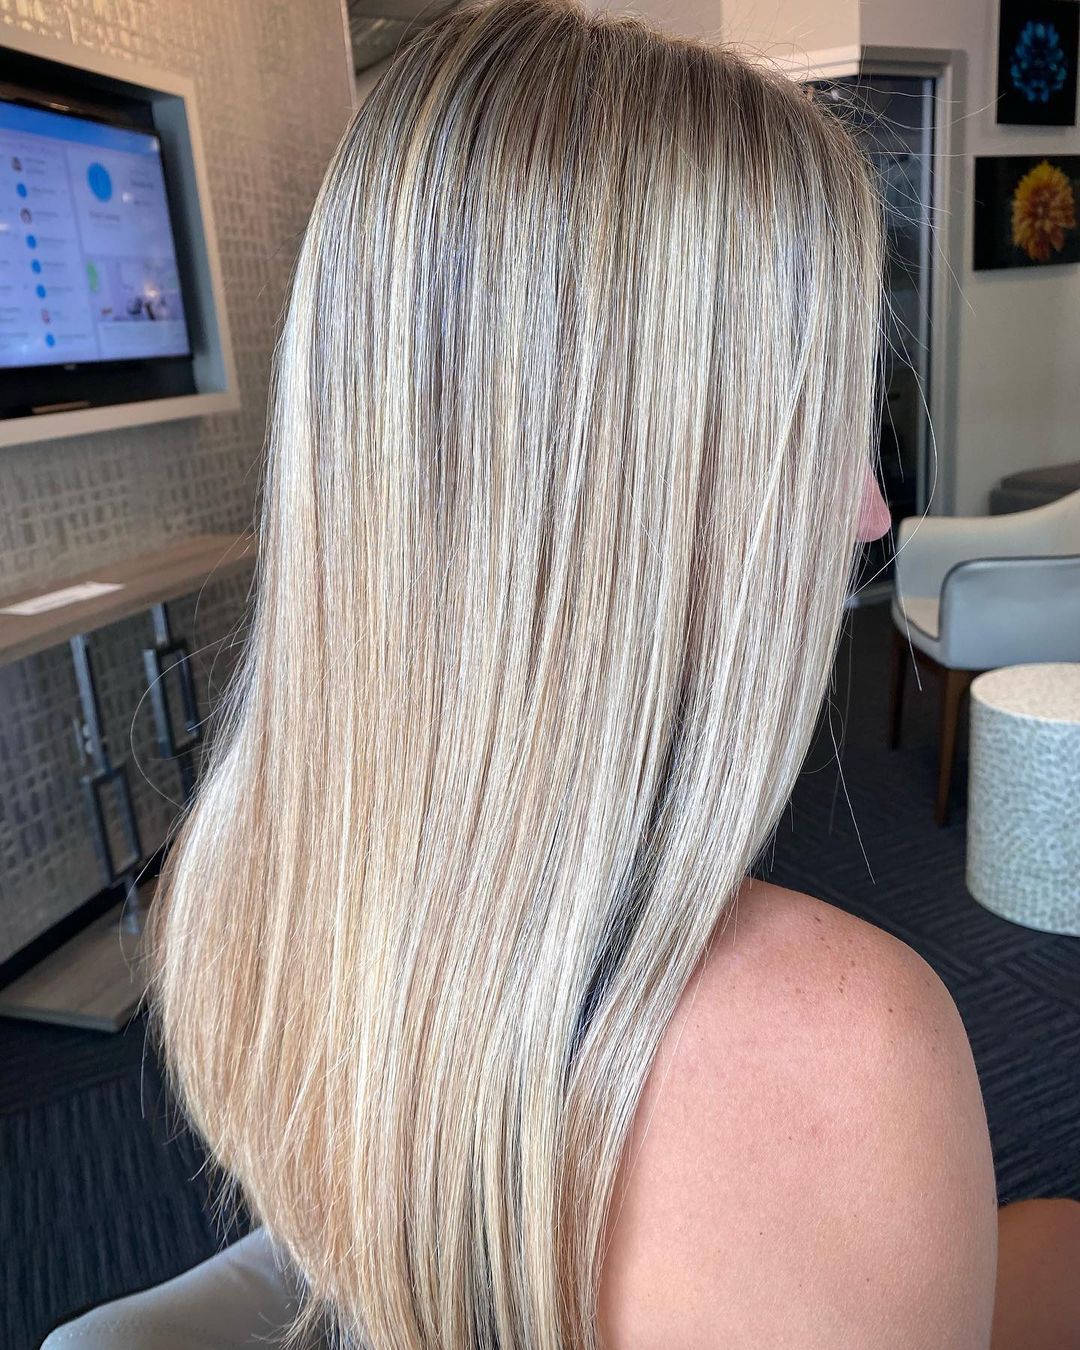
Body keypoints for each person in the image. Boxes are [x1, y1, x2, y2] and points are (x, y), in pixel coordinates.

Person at [144, 1, 1080, 1346]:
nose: (870, 513)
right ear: (621, 492)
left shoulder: (230, 887)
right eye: (807, 429)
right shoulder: (855, 1047)